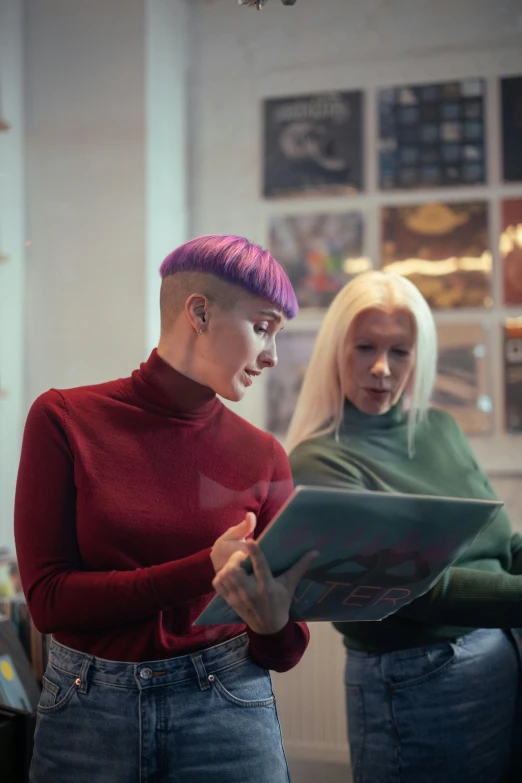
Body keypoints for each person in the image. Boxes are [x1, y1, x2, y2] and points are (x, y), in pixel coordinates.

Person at [14, 234, 317, 783]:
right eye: (262, 328)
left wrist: (274, 622)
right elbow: (49, 603)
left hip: (226, 709)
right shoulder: (64, 420)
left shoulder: (265, 456)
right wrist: (206, 568)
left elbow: (284, 650)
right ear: (198, 312)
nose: (272, 356)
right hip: (85, 715)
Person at [286, 270, 522, 783]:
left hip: (497, 655)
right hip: (419, 679)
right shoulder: (319, 460)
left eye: (400, 352)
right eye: (365, 347)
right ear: (335, 350)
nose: (381, 368)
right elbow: (413, 588)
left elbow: (505, 543)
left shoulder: (438, 428)